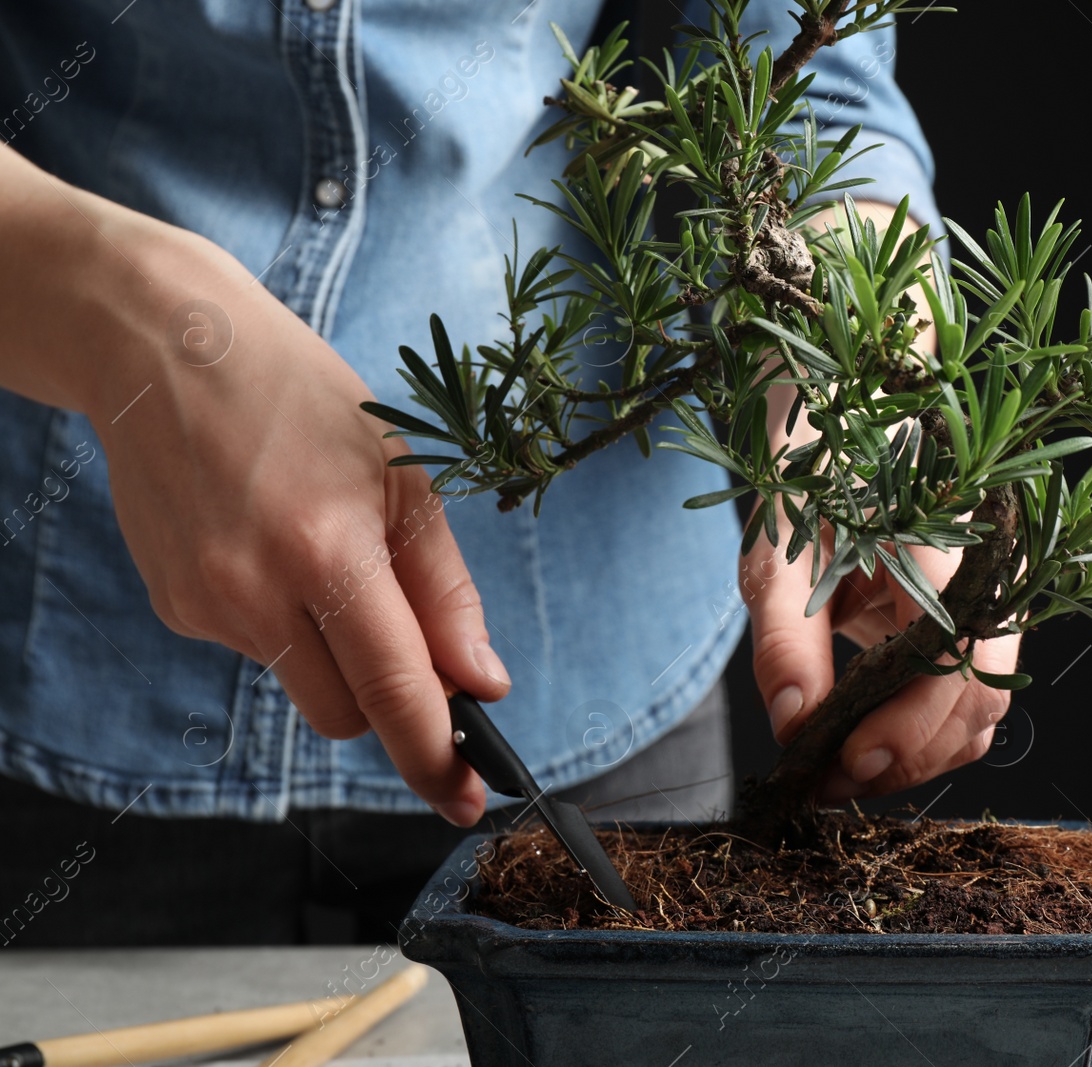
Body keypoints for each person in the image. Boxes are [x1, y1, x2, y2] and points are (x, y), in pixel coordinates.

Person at [0, 0, 1016, 945]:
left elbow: (806, 77)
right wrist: (123, 315)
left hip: (590, 646)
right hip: (59, 655)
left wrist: (863, 355)